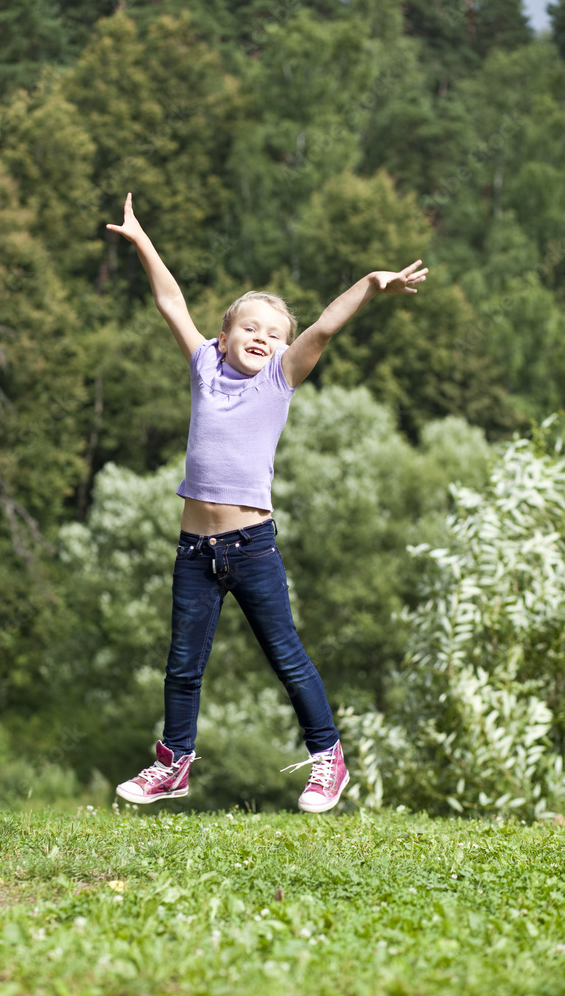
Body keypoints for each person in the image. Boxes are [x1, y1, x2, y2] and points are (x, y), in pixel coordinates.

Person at [107, 193, 428, 813]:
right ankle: (173, 764)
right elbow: (170, 301)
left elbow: (325, 327)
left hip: (251, 548)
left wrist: (370, 283)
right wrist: (143, 241)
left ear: (285, 349)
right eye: (250, 327)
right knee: (182, 666)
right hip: (194, 550)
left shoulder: (281, 378)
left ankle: (328, 758)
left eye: (275, 333)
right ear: (223, 336)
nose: (262, 337)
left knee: (286, 657)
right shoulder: (204, 367)